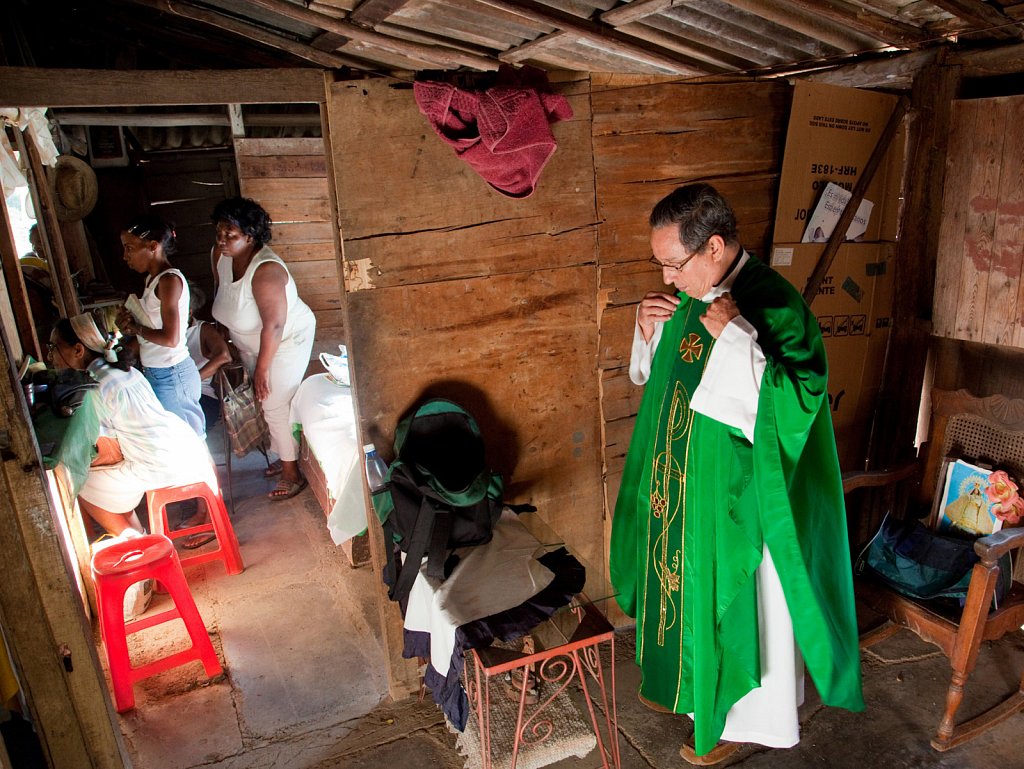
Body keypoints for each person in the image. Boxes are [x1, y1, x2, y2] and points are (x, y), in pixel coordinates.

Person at [609, 184, 864, 764]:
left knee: (744, 606)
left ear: (715, 246)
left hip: (742, 503)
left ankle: (748, 718)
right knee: (686, 593)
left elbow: (799, 404)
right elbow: (668, 382)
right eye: (662, 266)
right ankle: (693, 689)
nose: (669, 279)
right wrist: (648, 332)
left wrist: (737, 338)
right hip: (687, 491)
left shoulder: (772, 304)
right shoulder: (700, 294)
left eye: (675, 264)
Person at [47, 312, 218, 539]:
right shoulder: (122, 369)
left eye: (54, 347)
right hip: (186, 447)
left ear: (78, 350)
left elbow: (110, 453)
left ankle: (135, 540)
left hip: (164, 464)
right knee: (106, 480)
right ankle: (141, 538)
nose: (51, 356)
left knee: (82, 483)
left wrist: (76, 460)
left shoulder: (95, 386)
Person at [210, 197, 315, 500]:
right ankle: (282, 452)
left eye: (231, 234)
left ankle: (291, 472)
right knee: (261, 400)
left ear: (250, 236)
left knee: (272, 401)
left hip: (285, 340)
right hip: (251, 341)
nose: (222, 239)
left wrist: (263, 371)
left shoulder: (267, 271)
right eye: (219, 231)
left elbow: (275, 327)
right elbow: (224, 294)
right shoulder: (220, 255)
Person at [115, 214, 206, 437]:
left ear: (153, 246)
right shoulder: (152, 280)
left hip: (172, 374)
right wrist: (131, 324)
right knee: (178, 441)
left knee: (191, 442)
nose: (125, 256)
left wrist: (137, 329)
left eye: (129, 248)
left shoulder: (169, 281)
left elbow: (171, 338)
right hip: (160, 372)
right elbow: (154, 327)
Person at [184, 285, 232, 430]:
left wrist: (192, 381)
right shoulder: (159, 330)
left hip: (201, 395)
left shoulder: (202, 330)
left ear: (189, 312)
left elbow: (224, 356)